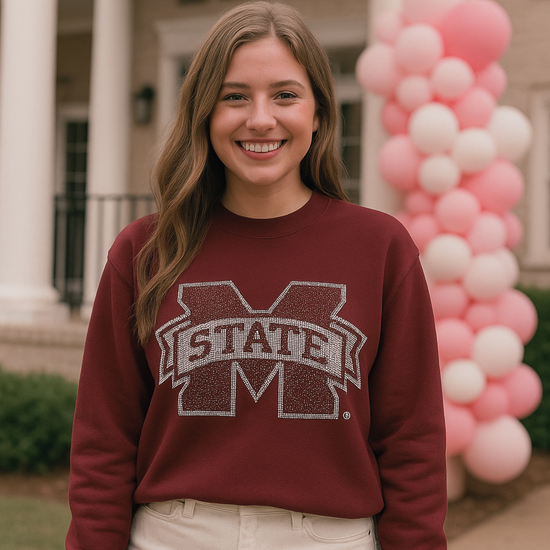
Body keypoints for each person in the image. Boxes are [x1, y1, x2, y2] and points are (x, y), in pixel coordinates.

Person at [66, 2, 447, 549]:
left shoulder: (380, 248)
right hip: (173, 535)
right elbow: (104, 442)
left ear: (318, 113)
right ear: (204, 112)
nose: (261, 118)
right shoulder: (144, 251)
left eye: (286, 95)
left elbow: (412, 442)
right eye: (235, 96)